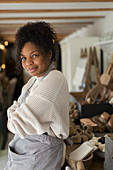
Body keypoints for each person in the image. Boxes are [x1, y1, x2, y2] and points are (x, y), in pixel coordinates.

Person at [4, 21, 69, 170]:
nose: (28, 63)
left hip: (41, 155)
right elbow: (15, 107)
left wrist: (13, 118)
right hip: (26, 152)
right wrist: (15, 115)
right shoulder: (33, 82)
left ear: (49, 53)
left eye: (34, 55)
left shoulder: (55, 79)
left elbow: (16, 123)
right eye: (23, 58)